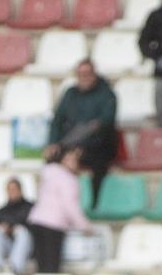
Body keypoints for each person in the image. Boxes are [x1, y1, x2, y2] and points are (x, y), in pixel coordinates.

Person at [48, 59, 118, 206]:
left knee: (99, 163)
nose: (84, 77)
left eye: (87, 73)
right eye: (81, 74)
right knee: (52, 159)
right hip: (70, 144)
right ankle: (56, 202)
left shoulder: (107, 94)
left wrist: (81, 145)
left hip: (97, 145)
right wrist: (52, 142)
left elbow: (105, 122)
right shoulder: (70, 93)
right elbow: (58, 119)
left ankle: (94, 203)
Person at [26, 144, 91, 275]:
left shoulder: (49, 171)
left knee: (41, 264)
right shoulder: (69, 180)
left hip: (37, 221)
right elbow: (70, 206)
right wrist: (85, 226)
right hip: (53, 225)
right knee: (51, 266)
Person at [0, 176, 35, 273]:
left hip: (26, 246)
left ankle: (14, 268)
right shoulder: (2, 210)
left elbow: (33, 226)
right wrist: (5, 228)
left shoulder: (31, 207)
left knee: (22, 232)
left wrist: (13, 227)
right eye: (9, 189)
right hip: (8, 245)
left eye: (14, 189)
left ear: (20, 190)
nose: (12, 191)